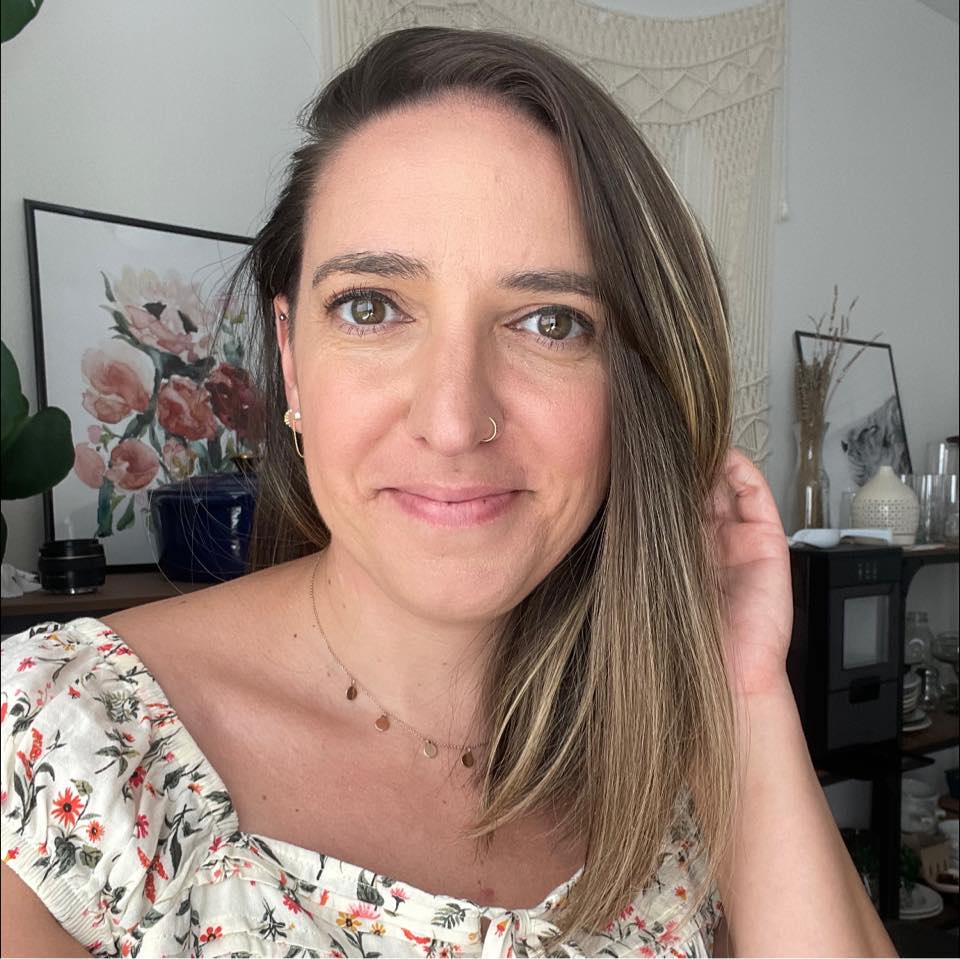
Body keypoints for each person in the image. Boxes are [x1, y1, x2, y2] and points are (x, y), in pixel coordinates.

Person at [0, 26, 896, 959]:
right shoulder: (64, 742)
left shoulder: (665, 733)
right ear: (294, 361)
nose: (455, 419)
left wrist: (744, 690)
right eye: (371, 306)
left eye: (551, 321)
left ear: (631, 382)